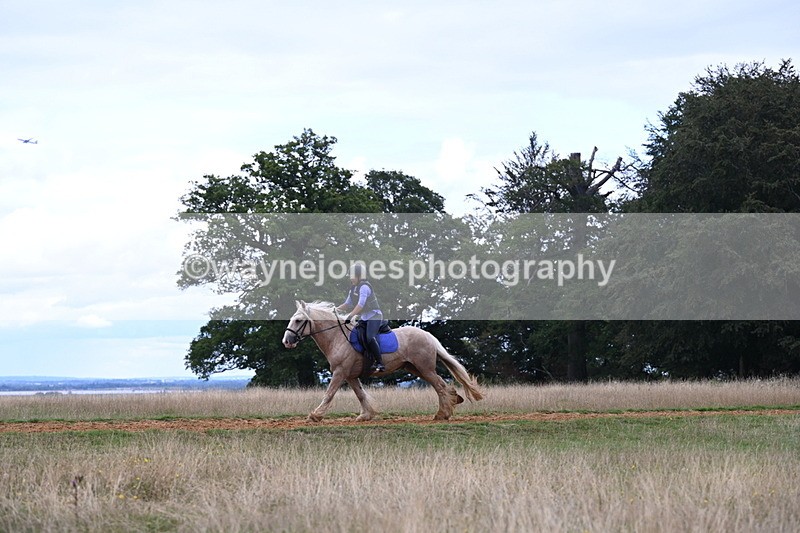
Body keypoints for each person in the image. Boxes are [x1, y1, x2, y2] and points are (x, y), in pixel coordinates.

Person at [336, 262, 386, 373]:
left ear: (359, 276)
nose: (350, 278)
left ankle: (380, 363)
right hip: (364, 318)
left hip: (374, 315)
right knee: (356, 335)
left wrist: (350, 316)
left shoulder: (364, 287)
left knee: (369, 337)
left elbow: (360, 305)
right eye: (350, 276)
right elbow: (347, 304)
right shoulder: (353, 289)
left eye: (352, 276)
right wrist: (334, 310)